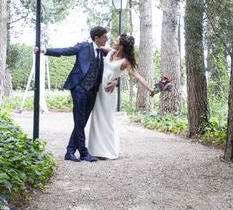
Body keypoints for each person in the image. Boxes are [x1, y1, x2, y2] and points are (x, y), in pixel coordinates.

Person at [36, 26, 115, 162]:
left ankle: (70, 151)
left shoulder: (103, 52)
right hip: (79, 88)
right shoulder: (84, 46)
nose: (107, 39)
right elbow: (66, 51)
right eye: (104, 37)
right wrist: (44, 50)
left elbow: (114, 68)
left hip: (93, 91)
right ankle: (83, 153)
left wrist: (116, 81)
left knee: (81, 122)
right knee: (79, 120)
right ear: (96, 38)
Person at [87, 34, 154, 160]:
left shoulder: (125, 62)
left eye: (117, 40)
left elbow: (138, 77)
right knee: (97, 119)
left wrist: (151, 89)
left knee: (107, 121)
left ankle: (109, 150)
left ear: (122, 45)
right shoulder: (110, 52)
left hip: (108, 93)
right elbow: (95, 45)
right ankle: (95, 149)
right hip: (98, 91)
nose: (114, 41)